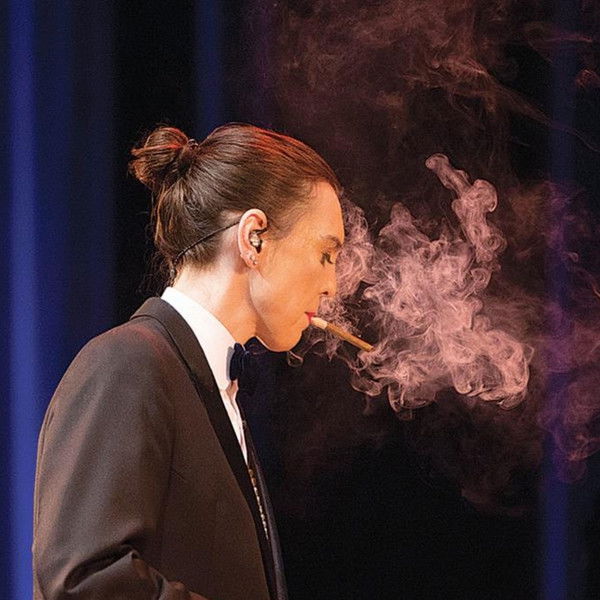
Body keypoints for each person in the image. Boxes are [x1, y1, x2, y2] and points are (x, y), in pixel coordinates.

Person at [32, 124, 345, 600]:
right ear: (254, 238)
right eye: (326, 254)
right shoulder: (128, 365)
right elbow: (83, 580)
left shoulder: (206, 384)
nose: (332, 286)